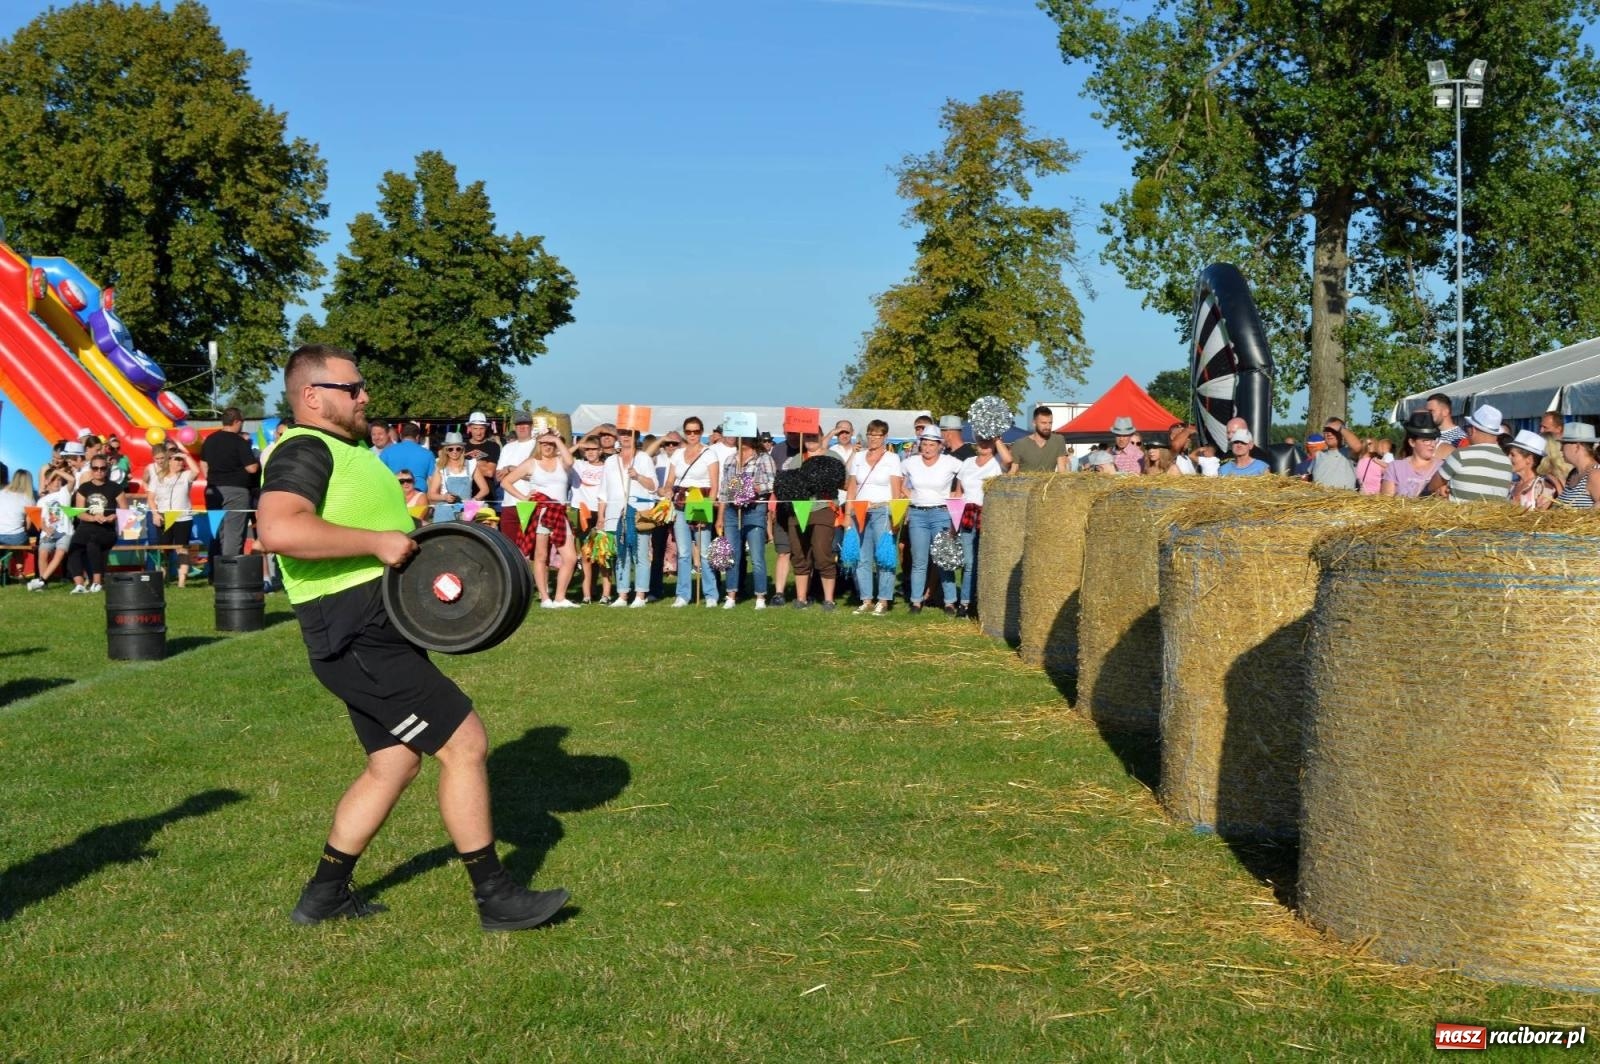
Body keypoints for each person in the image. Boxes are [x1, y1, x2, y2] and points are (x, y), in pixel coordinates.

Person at [256, 344, 568, 932]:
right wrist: (377, 543)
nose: (365, 396)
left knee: (393, 764)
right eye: (353, 389)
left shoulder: (351, 454)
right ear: (313, 396)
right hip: (354, 632)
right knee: (466, 743)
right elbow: (277, 528)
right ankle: (495, 897)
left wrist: (431, 533)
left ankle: (323, 897)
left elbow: (383, 532)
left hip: (374, 626)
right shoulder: (304, 448)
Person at [504, 430, 579, 607]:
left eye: (551, 444)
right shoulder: (532, 463)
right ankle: (545, 597)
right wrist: (523, 498)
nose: (548, 447)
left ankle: (560, 597)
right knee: (541, 556)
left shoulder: (562, 461)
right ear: (538, 445)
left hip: (559, 513)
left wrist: (555, 439)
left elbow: (570, 460)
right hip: (541, 512)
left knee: (570, 557)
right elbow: (506, 482)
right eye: (544, 443)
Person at [901, 427, 962, 615]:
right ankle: (916, 601)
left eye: (931, 445)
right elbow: (899, 482)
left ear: (940, 446)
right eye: (924, 444)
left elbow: (967, 474)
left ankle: (950, 601)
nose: (927, 448)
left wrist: (957, 493)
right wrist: (910, 495)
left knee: (943, 559)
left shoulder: (950, 462)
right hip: (917, 514)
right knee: (919, 559)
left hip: (941, 513)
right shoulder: (910, 462)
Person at [846, 419, 904, 615]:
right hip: (860, 511)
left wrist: (895, 519)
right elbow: (852, 487)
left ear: (885, 437)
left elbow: (896, 491)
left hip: (883, 510)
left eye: (877, 435)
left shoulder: (892, 459)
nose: (873, 438)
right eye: (870, 434)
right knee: (862, 557)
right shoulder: (859, 457)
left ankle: (884, 599)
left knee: (884, 557)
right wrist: (848, 513)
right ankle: (866, 599)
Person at [663, 417, 720, 607]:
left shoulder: (709, 454)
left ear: (701, 432)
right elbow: (670, 480)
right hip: (680, 502)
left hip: (700, 501)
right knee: (684, 552)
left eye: (696, 431)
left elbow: (714, 485)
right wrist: (668, 489)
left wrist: (708, 507)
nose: (692, 435)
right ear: (685, 433)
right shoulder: (677, 454)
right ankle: (683, 595)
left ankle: (711, 594)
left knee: (704, 551)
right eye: (688, 432)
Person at [715, 433, 776, 609]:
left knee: (757, 556)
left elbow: (773, 483)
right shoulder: (730, 460)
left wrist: (755, 488)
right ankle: (731, 595)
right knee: (733, 555)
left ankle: (760, 596)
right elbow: (724, 490)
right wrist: (720, 516)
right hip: (732, 512)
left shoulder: (763, 458)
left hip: (755, 509)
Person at [780, 431, 840, 610]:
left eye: (814, 437)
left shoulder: (832, 456)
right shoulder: (798, 458)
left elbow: (842, 482)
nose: (810, 440)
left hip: (823, 509)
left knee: (822, 554)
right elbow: (789, 485)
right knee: (799, 554)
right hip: (799, 511)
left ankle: (828, 600)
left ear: (821, 437)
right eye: (807, 437)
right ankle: (801, 598)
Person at [953, 435, 1009, 617]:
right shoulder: (967, 462)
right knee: (969, 563)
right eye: (981, 441)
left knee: (984, 562)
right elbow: (958, 491)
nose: (984, 445)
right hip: (967, 515)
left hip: (988, 515)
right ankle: (965, 603)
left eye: (988, 441)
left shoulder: (997, 461)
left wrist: (997, 439)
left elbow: (1009, 461)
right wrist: (953, 517)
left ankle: (982, 602)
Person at [602, 429, 658, 607]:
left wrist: (638, 476)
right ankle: (622, 594)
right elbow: (603, 491)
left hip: (638, 512)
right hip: (615, 512)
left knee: (640, 553)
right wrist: (601, 516)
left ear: (636, 437)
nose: (625, 436)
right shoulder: (610, 461)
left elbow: (654, 486)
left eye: (629, 433)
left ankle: (641, 595)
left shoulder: (643, 459)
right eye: (622, 433)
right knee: (621, 553)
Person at [201, 407, 259, 557]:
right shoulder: (239, 442)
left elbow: (204, 464)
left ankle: (214, 572)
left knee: (217, 532)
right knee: (233, 534)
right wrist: (257, 461)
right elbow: (252, 468)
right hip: (236, 492)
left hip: (213, 491)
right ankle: (229, 573)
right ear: (237, 422)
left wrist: (213, 479)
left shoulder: (210, 439)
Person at [1431, 404, 1514, 503]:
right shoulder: (1507, 463)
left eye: (1467, 428)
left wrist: (1445, 487)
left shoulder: (1461, 455)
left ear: (1473, 430)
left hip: (1459, 516)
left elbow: (1432, 486)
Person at [144, 442, 200, 587]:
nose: (180, 462)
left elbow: (196, 470)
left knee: (182, 549)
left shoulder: (186, 476)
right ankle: (162, 578)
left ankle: (182, 581)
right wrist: (155, 514)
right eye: (177, 459)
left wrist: (185, 456)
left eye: (181, 460)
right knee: (163, 549)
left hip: (183, 518)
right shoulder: (158, 477)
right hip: (163, 517)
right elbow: (150, 498)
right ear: (169, 460)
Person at [67, 454, 126, 592]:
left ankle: (97, 582)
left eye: (102, 468)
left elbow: (124, 511)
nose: (99, 471)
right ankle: (80, 584)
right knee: (74, 546)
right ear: (91, 469)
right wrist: (93, 518)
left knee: (93, 543)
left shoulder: (115, 488)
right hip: (86, 526)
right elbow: (79, 512)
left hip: (106, 529)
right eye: (95, 468)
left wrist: (113, 516)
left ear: (107, 469)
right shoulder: (84, 488)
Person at [571, 434, 611, 604]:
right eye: (587, 449)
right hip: (583, 513)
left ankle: (606, 594)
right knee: (586, 555)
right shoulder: (578, 465)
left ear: (601, 450)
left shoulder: (608, 467)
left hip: (602, 512)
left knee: (603, 556)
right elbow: (563, 456)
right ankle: (586, 595)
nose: (590, 452)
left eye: (594, 449)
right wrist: (579, 444)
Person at [426, 432, 491, 523]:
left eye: (458, 449)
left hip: (466, 511)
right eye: (450, 449)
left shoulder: (471, 465)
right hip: (445, 511)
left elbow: (485, 489)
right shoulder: (441, 467)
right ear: (446, 450)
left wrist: (472, 503)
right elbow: (431, 494)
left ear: (462, 450)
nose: (454, 451)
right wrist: (445, 497)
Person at [1380, 411, 1443, 499]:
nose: (1432, 444)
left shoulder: (1443, 467)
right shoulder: (1395, 467)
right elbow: (1386, 502)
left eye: (1433, 439)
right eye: (1426, 440)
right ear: (1412, 442)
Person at [1507, 431, 1558, 510]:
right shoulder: (1512, 486)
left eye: (1513, 455)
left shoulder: (1542, 487)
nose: (1508, 457)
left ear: (1529, 460)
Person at [1009, 406, 1068, 473]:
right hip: (1026, 482)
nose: (1048, 427)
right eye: (1043, 423)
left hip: (1050, 482)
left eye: (1050, 423)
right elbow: (1013, 470)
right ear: (1034, 423)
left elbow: (1062, 469)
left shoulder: (1058, 440)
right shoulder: (1020, 444)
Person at [1556, 423, 1600, 509]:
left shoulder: (1596, 475)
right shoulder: (1573, 474)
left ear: (1577, 446)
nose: (1560, 449)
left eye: (1563, 444)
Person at [378, 422, 436, 486]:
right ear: (417, 437)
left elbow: (379, 476)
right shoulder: (428, 454)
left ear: (400, 436)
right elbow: (432, 481)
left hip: (393, 492)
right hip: (419, 493)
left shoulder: (387, 451)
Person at [1537, 410, 1572, 485]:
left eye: (1545, 427)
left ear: (1558, 429)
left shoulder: (1571, 446)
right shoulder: (1540, 440)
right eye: (1540, 426)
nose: (1541, 430)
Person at [0, 469, 33, 547]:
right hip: (16, 538)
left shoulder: (1, 493)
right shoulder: (29, 498)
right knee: (33, 539)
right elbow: (28, 526)